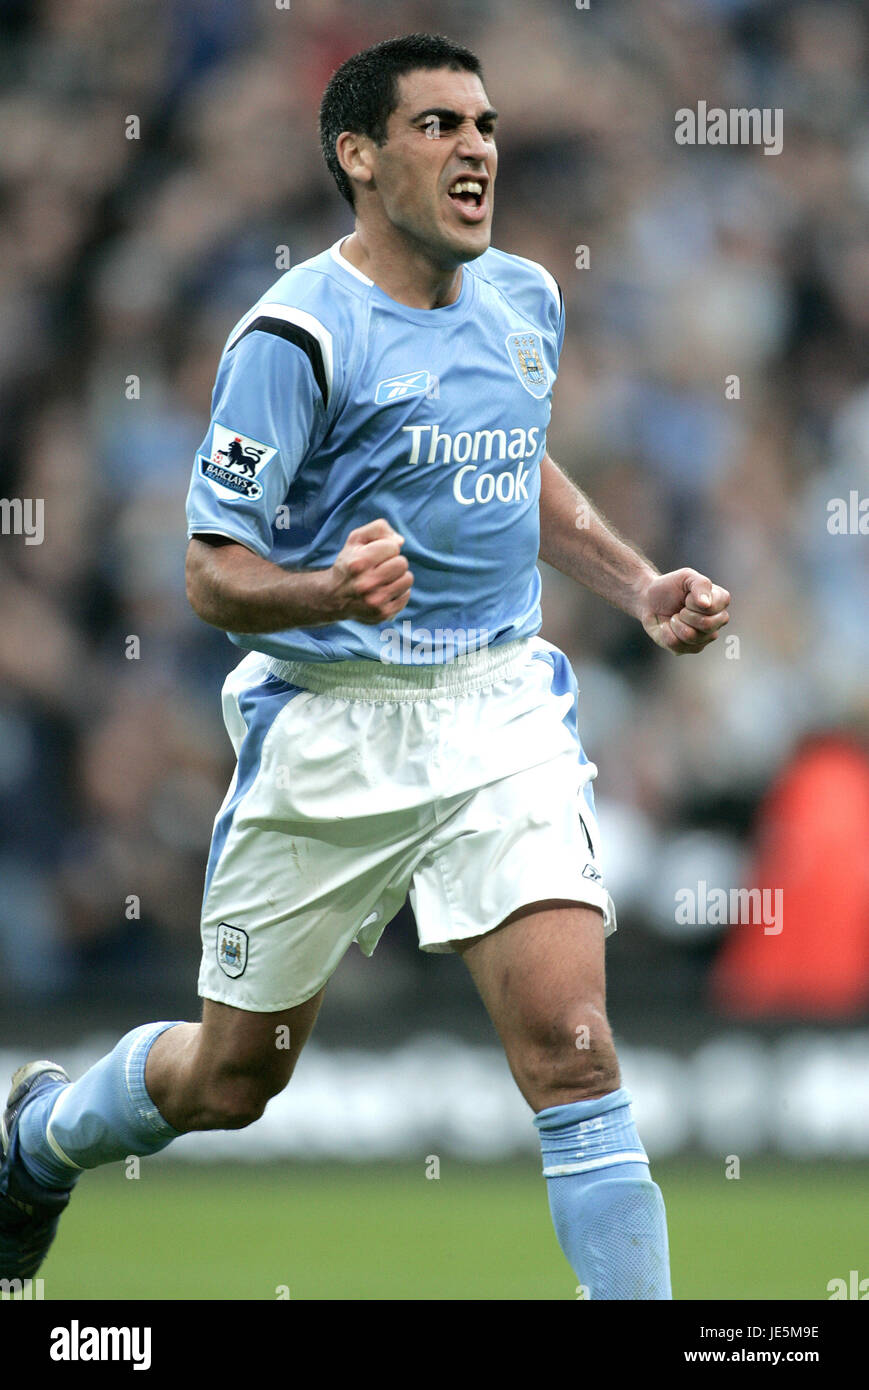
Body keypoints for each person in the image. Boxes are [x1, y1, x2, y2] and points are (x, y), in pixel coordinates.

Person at [0, 33, 730, 1300]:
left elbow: (515, 473)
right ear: (358, 155)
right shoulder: (293, 339)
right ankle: (38, 1137)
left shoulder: (524, 298)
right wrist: (327, 587)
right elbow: (208, 572)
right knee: (233, 1079)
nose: (476, 150)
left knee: (573, 1047)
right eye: (438, 126)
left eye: (485, 125)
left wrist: (635, 581)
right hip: (332, 721)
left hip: (498, 702)